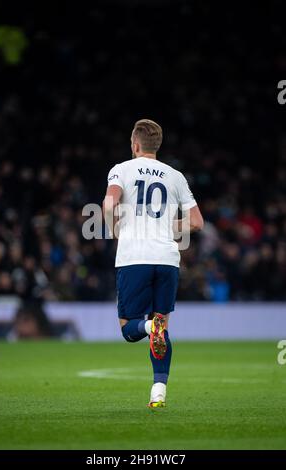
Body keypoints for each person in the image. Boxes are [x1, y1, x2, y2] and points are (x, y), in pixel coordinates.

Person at [103, 119, 203, 408]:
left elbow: (109, 205)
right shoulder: (176, 176)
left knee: (130, 330)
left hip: (135, 257)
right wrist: (165, 230)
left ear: (135, 144)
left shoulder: (121, 169)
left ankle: (148, 328)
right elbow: (197, 223)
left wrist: (113, 230)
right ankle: (158, 392)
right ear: (157, 146)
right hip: (168, 260)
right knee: (162, 327)